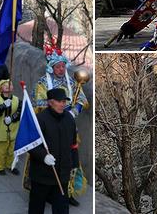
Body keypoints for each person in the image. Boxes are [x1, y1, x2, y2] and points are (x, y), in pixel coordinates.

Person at [34, 44, 88, 206]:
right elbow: (38, 102)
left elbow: (82, 100)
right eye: (58, 67)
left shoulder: (71, 82)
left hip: (69, 128)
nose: (61, 69)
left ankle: (68, 191)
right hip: (50, 129)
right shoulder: (43, 83)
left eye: (63, 66)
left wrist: (74, 112)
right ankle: (48, 192)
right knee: (50, 160)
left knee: (70, 161)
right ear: (51, 68)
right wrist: (60, 108)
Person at [28, 88, 79, 214]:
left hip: (62, 175)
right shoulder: (40, 119)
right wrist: (43, 156)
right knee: (36, 207)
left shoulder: (69, 119)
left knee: (61, 208)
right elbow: (30, 145)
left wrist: (74, 163)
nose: (63, 104)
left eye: (64, 101)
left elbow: (73, 144)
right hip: (42, 175)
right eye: (59, 101)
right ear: (50, 102)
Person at [0, 79, 21, 175]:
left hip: (13, 129)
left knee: (12, 150)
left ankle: (10, 165)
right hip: (1, 129)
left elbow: (19, 111)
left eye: (10, 84)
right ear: (1, 88)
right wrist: (3, 106)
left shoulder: (16, 99)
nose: (8, 85)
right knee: (1, 150)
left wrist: (12, 118)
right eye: (5, 85)